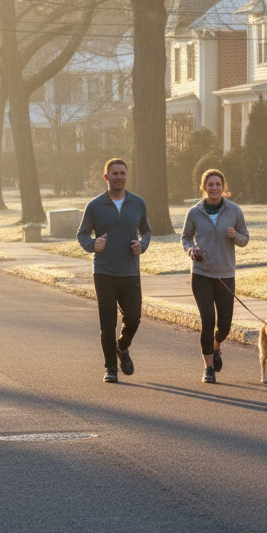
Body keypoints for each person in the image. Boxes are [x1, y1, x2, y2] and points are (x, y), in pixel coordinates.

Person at [77, 158, 151, 383]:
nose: (119, 177)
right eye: (115, 173)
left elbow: (146, 231)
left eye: (122, 173)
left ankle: (122, 346)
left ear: (126, 176)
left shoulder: (138, 203)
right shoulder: (95, 205)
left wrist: (142, 245)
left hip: (130, 271)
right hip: (104, 272)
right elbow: (82, 234)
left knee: (134, 318)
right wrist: (93, 245)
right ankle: (110, 367)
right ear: (106, 177)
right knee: (107, 323)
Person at [180, 169, 249, 384]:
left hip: (226, 275)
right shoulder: (194, 212)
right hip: (201, 275)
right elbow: (185, 238)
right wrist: (191, 251)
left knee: (225, 325)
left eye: (218, 184)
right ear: (204, 187)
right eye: (210, 184)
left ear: (223, 187)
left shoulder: (234, 211)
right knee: (208, 320)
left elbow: (245, 239)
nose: (214, 188)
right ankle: (208, 368)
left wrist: (235, 235)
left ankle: (216, 346)